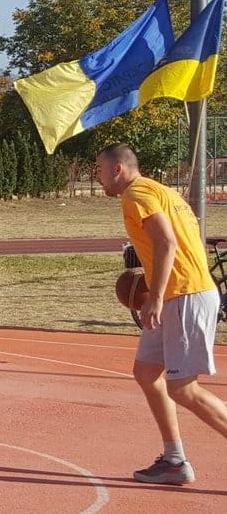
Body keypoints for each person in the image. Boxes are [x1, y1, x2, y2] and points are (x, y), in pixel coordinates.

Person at [95, 143, 227, 484]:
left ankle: (175, 460)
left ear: (117, 169)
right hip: (177, 293)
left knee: (183, 388)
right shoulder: (160, 190)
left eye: (99, 170)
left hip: (184, 294)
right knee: (146, 371)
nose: (97, 177)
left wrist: (154, 296)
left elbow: (167, 242)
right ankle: (174, 460)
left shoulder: (136, 194)